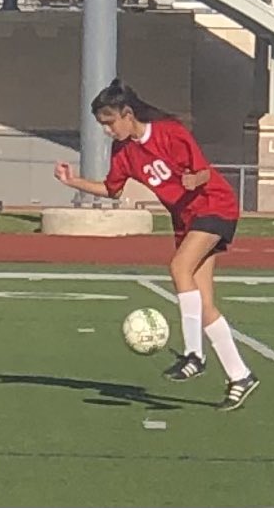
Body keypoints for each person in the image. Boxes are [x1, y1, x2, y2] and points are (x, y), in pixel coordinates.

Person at [54, 78, 260, 412]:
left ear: (127, 114)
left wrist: (194, 179)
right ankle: (240, 376)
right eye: (102, 125)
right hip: (185, 219)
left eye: (109, 122)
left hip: (213, 205)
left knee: (179, 267)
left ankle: (194, 355)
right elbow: (112, 190)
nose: (107, 131)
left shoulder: (170, 132)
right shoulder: (124, 152)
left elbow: (204, 172)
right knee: (204, 303)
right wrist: (72, 181)